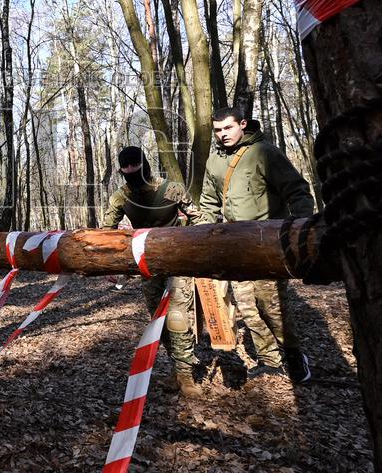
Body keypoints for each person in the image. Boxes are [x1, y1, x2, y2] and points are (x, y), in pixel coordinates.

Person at [197, 107, 314, 383]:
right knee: (248, 307)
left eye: (228, 128)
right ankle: (270, 360)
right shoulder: (214, 160)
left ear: (242, 124)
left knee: (271, 304)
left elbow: (297, 191)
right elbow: (208, 203)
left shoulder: (265, 153)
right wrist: (202, 236)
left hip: (268, 244)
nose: (223, 134)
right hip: (234, 245)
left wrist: (301, 229)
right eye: (217, 130)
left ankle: (295, 356)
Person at [102, 146, 204, 398]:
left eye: (135, 169)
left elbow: (198, 219)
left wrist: (198, 249)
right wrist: (109, 264)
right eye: (126, 171)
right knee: (158, 320)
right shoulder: (121, 196)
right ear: (121, 171)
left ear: (144, 165)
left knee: (178, 316)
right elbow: (108, 233)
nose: (131, 174)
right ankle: (177, 369)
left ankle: (186, 374)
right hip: (147, 265)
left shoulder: (171, 189)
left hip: (177, 261)